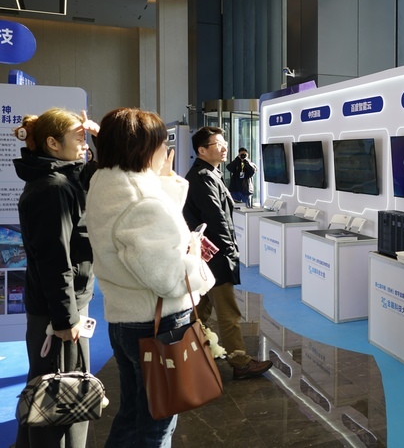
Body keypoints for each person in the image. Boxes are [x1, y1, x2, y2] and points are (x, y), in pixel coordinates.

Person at [85, 108, 215, 446]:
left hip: (125, 319)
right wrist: (194, 257)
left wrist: (164, 182)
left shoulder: (106, 182)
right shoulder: (142, 200)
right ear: (144, 148)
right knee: (157, 425)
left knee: (133, 415)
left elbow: (143, 228)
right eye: (161, 143)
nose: (165, 150)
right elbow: (166, 278)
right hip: (158, 325)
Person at [12, 108, 99, 448]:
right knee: (60, 401)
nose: (85, 144)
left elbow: (100, 170)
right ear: (52, 143)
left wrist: (99, 135)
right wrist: (65, 319)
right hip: (59, 313)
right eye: (79, 138)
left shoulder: (64, 178)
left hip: (62, 307)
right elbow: (54, 260)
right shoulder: (52, 188)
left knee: (44, 394)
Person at [183, 126, 272, 380]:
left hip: (208, 254)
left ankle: (190, 352)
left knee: (200, 309)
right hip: (215, 255)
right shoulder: (202, 177)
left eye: (224, 143)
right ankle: (239, 362)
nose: (224, 148)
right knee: (228, 311)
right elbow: (216, 219)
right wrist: (230, 250)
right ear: (202, 150)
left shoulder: (210, 173)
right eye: (218, 144)